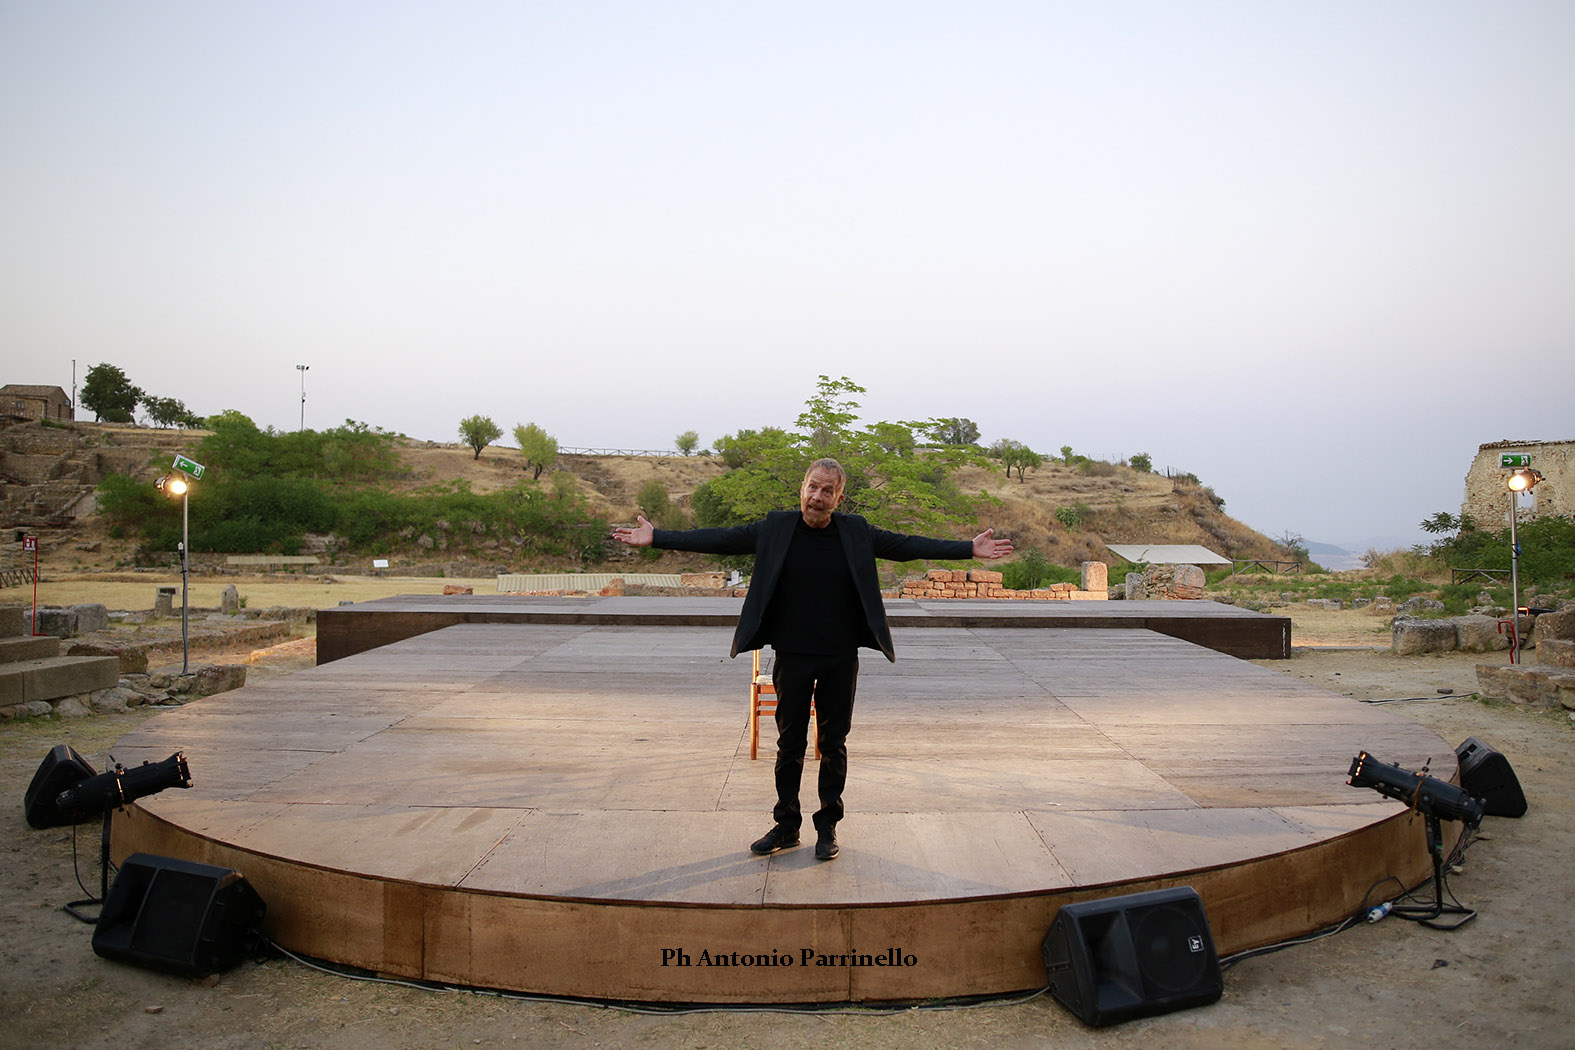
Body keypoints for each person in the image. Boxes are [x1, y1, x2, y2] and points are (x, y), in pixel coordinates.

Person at [611, 457, 1012, 861]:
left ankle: (828, 828)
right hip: (793, 657)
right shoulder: (775, 528)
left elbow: (907, 546)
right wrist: (658, 537)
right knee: (790, 745)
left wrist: (967, 550)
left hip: (840, 658)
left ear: (839, 498)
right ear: (802, 488)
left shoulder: (856, 532)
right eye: (812, 488)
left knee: (833, 745)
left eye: (827, 491)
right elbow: (719, 539)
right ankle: (786, 825)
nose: (817, 498)